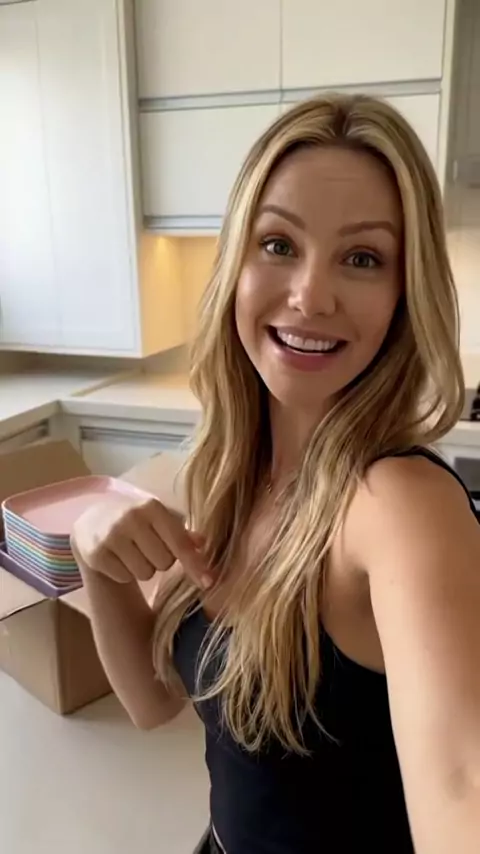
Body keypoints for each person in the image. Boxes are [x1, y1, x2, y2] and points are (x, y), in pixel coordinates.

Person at [71, 94, 480, 854]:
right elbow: (154, 701)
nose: (311, 296)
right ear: (236, 264)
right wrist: (96, 561)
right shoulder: (226, 474)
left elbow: (462, 788)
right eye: (279, 244)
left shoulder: (400, 506)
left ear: (404, 293)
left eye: (362, 258)